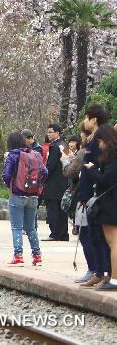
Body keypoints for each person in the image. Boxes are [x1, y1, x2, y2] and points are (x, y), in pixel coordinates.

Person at [75, 104, 112, 287]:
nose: (84, 121)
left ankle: (102, 272)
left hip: (95, 195)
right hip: (88, 193)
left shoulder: (100, 138)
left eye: (86, 117)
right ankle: (99, 271)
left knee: (98, 237)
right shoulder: (94, 139)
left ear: (94, 119)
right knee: (93, 235)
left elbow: (101, 168)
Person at [2, 130, 48, 267]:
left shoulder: (13, 155)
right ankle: (37, 255)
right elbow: (45, 172)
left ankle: (18, 255)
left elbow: (6, 174)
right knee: (31, 228)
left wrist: (10, 184)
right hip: (33, 195)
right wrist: (37, 185)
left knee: (16, 227)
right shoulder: (35, 154)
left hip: (17, 195)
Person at [82, 122, 117, 291]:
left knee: (114, 242)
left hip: (111, 204)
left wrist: (92, 170)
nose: (99, 145)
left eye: (100, 141)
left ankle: (115, 280)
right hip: (111, 203)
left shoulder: (113, 157)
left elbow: (105, 180)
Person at [41, 123, 69, 241]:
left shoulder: (55, 146)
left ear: (57, 132)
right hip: (63, 181)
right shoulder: (65, 145)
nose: (49, 134)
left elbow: (50, 166)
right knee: (61, 210)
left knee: (53, 209)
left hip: (54, 183)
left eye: (51, 132)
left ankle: (55, 233)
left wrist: (43, 176)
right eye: (48, 132)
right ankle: (63, 233)